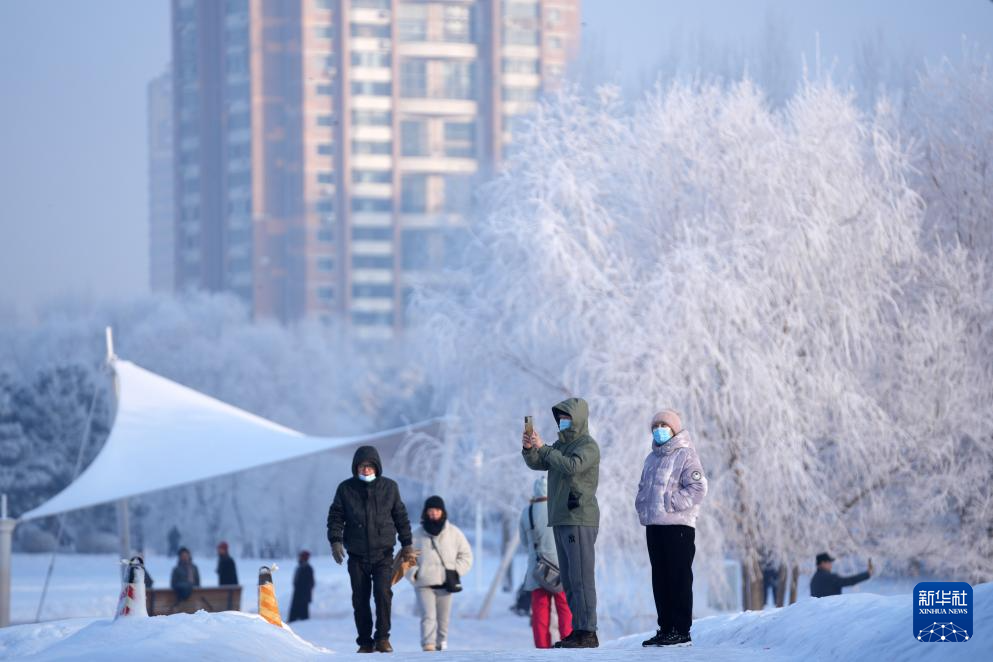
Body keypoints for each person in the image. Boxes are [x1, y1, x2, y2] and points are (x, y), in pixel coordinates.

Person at [522, 397, 601, 649]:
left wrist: (544, 448)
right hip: (561, 518)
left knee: (581, 577)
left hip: (578, 517)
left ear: (577, 419)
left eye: (567, 417)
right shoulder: (560, 445)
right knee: (568, 579)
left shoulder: (587, 446)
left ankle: (588, 631)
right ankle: (579, 630)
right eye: (561, 418)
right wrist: (530, 449)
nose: (563, 421)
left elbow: (572, 466)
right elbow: (539, 462)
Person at [327, 445, 414, 654]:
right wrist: (335, 541)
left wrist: (407, 543)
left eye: (369, 466)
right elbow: (335, 517)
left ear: (377, 466)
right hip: (357, 556)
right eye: (361, 466)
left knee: (383, 594)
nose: (365, 470)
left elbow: (400, 517)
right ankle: (365, 642)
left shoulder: (390, 488)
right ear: (355, 468)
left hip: (383, 554)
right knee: (360, 598)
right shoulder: (345, 489)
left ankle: (383, 638)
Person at [636, 409, 707, 648]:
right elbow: (643, 487)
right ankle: (666, 628)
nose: (659, 429)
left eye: (664, 425)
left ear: (674, 429)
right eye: (655, 425)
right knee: (660, 579)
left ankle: (681, 629)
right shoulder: (651, 458)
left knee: (678, 578)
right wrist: (642, 504)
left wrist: (671, 503)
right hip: (654, 526)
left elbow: (697, 488)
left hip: (678, 526)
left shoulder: (686, 455)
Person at [407, 495, 473, 652]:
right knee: (428, 616)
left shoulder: (454, 533)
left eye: (437, 510)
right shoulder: (416, 535)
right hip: (424, 583)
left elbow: (467, 555)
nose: (433, 514)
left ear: (442, 512)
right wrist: (414, 573)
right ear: (425, 513)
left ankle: (441, 644)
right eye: (430, 510)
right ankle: (428, 645)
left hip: (446, 583)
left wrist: (455, 571)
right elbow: (406, 558)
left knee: (443, 619)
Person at [520, 475, 573, 649]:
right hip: (560, 569)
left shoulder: (527, 512)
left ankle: (542, 649)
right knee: (564, 608)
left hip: (538, 570)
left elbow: (523, 541)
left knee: (540, 613)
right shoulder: (560, 508)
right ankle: (567, 642)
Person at [288, 550, 316, 622]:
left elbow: (311, 583)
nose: (299, 558)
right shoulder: (300, 567)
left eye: (300, 557)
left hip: (303, 593)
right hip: (299, 592)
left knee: (303, 610)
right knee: (297, 608)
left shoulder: (307, 568)